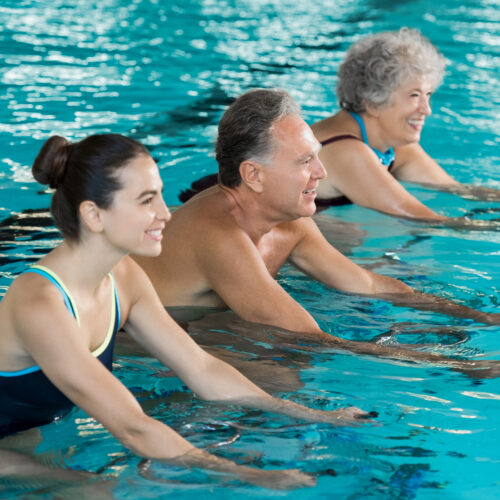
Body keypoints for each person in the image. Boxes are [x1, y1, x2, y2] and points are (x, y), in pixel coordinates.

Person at [0, 133, 377, 490]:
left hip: (31, 428)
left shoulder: (124, 276)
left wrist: (315, 415)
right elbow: (131, 427)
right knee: (99, 489)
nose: (166, 214)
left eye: (161, 196)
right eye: (147, 201)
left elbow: (201, 368)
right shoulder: (42, 305)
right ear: (94, 216)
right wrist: (244, 474)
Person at [134, 88, 500, 376]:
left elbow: (366, 283)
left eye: (316, 156)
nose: (321, 173)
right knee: (280, 372)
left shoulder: (289, 218)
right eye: (304, 161)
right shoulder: (219, 236)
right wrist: (456, 365)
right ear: (253, 176)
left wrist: (478, 316)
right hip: (132, 345)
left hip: (199, 322)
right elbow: (308, 338)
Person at [310, 27, 500, 223]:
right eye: (414, 95)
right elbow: (429, 220)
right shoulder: (346, 152)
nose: (426, 110)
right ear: (373, 102)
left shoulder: (393, 142)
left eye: (428, 95)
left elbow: (458, 190)